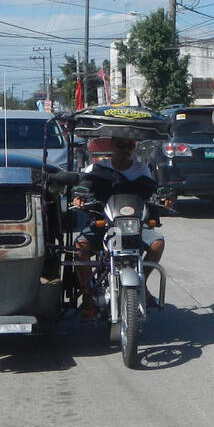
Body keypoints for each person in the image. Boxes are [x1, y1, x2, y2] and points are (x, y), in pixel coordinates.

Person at [72, 136, 169, 317]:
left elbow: (153, 191)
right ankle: (88, 297)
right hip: (102, 223)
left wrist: (163, 198)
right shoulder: (97, 168)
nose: (124, 149)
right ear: (113, 145)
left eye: (129, 145)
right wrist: (79, 196)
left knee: (157, 243)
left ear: (134, 146)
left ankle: (142, 285)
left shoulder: (142, 170)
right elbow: (83, 186)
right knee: (80, 247)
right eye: (121, 145)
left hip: (134, 225)